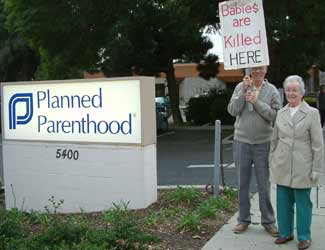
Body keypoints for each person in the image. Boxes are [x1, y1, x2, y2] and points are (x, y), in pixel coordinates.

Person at [269, 75, 324, 250]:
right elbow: (274, 140)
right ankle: (285, 233)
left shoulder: (312, 113)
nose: (291, 93)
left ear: (302, 92)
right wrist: (272, 161)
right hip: (282, 163)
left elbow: (318, 144)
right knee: (283, 201)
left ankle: (304, 237)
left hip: (303, 165)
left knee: (303, 203)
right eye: (288, 90)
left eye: (295, 90)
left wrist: (317, 168)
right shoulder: (281, 113)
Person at [227, 66, 281, 236]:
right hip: (241, 141)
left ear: (266, 70)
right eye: (255, 68)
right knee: (242, 183)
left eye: (261, 68)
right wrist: (243, 93)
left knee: (264, 183)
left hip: (263, 143)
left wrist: (257, 102)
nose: (257, 71)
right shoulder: (240, 87)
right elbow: (232, 110)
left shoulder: (271, 90)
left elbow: (275, 116)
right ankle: (243, 220)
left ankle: (268, 221)